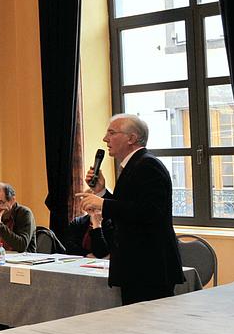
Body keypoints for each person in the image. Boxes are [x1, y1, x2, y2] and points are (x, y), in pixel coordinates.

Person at [77, 114, 184, 304]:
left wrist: (103, 204)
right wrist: (102, 193)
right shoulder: (135, 165)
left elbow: (150, 212)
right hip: (136, 265)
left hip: (148, 265)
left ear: (131, 138)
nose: (105, 139)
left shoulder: (148, 165)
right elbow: (128, 210)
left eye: (111, 133)